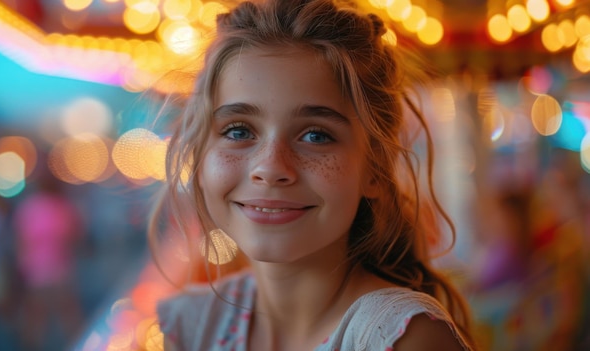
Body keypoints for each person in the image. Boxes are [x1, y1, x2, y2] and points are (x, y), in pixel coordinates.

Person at [151, 0, 476, 350]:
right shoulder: (194, 325)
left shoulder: (402, 339)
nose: (271, 168)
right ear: (200, 157)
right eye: (239, 131)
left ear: (375, 169)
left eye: (316, 135)